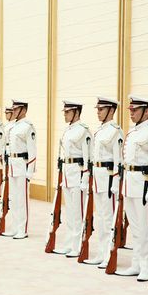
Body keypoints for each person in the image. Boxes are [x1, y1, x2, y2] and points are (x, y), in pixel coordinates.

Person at [115, 96, 148, 282]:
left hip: (143, 184)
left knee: (145, 228)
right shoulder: (133, 132)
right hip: (130, 184)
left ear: (146, 111)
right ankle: (136, 263)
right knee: (135, 227)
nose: (131, 113)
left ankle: (147, 265)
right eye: (131, 110)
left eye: (135, 110)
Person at [83, 97, 123, 268]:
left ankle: (109, 254)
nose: (98, 112)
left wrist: (115, 182)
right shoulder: (99, 131)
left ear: (111, 111)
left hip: (108, 178)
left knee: (108, 218)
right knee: (100, 217)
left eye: (101, 109)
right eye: (97, 109)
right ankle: (101, 253)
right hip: (98, 178)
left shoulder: (115, 131)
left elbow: (118, 160)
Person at [54, 101, 92, 258]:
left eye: (67, 112)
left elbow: (88, 157)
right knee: (69, 212)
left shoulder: (84, 131)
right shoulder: (68, 130)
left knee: (78, 212)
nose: (64, 114)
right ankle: (69, 243)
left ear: (76, 112)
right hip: (68, 174)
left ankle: (78, 246)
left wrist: (85, 177)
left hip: (78, 174)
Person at [3, 100, 37, 239]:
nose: (14, 111)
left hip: (22, 165)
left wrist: (30, 171)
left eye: (16, 109)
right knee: (13, 198)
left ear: (23, 110)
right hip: (12, 164)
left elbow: (32, 151)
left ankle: (22, 229)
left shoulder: (28, 127)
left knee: (22, 199)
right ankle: (15, 227)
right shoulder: (14, 126)